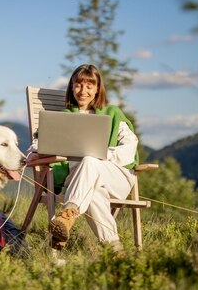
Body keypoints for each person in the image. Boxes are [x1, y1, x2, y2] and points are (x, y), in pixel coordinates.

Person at [27, 64, 139, 252]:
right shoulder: (62, 118)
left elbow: (130, 146)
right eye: (78, 85)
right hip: (80, 182)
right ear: (71, 87)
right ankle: (115, 251)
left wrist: (104, 156)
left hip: (115, 177)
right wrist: (42, 151)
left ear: (97, 89)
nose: (83, 91)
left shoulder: (112, 114)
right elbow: (35, 147)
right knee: (92, 192)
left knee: (90, 160)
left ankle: (68, 212)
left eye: (89, 85)